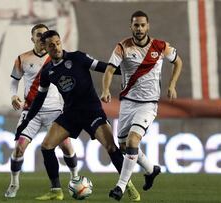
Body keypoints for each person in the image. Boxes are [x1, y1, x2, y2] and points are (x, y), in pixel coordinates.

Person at [15, 30, 141, 202]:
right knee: (46, 146)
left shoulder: (77, 57)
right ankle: (56, 190)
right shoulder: (48, 71)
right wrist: (27, 120)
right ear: (45, 47)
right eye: (51, 45)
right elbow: (39, 98)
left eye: (58, 43)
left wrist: (130, 71)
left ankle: (129, 187)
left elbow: (103, 67)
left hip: (92, 111)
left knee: (111, 148)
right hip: (71, 114)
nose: (56, 47)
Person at [101, 10, 183, 201]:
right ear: (131, 26)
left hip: (148, 104)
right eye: (136, 25)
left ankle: (120, 187)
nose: (139, 28)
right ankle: (151, 169)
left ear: (148, 26)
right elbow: (110, 69)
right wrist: (105, 89)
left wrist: (172, 85)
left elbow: (178, 62)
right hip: (127, 103)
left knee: (132, 141)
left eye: (142, 25)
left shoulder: (160, 46)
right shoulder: (122, 47)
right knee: (123, 146)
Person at [4, 24, 79, 200]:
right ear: (33, 38)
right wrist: (13, 95)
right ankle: (14, 183)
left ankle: (75, 178)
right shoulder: (23, 58)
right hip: (31, 111)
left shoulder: (58, 57)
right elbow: (14, 80)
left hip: (54, 111)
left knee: (66, 146)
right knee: (19, 149)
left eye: (45, 34)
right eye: (39, 35)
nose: (42, 37)